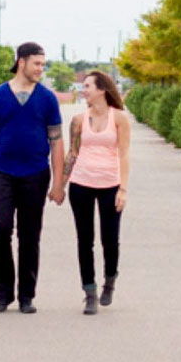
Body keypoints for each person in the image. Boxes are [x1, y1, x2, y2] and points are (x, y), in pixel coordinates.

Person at [0, 42, 65, 313]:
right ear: (21, 62)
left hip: (35, 174)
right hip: (2, 172)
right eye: (37, 64)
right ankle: (4, 293)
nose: (40, 69)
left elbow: (57, 141)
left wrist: (58, 184)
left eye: (43, 65)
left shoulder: (47, 99)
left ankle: (26, 296)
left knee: (29, 235)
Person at [63, 70, 130, 315]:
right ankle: (89, 292)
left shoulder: (120, 118)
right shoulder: (79, 120)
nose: (84, 90)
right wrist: (60, 185)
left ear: (102, 89)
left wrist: (123, 188)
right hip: (81, 184)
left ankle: (109, 281)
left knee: (110, 241)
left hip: (110, 185)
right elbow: (72, 153)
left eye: (88, 86)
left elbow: (124, 154)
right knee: (84, 240)